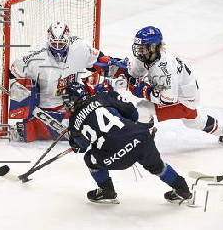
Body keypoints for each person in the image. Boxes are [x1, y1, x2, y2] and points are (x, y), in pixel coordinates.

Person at [63, 82, 193, 204]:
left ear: (73, 100)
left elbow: (81, 147)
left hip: (116, 156)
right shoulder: (104, 97)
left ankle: (107, 192)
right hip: (141, 138)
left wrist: (73, 140)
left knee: (90, 159)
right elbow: (133, 114)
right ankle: (183, 190)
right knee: (158, 166)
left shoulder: (74, 123)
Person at [116, 26, 223, 143]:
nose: (139, 50)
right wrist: (114, 67)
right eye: (139, 46)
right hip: (185, 95)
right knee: (193, 122)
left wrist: (144, 90)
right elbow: (132, 73)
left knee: (143, 108)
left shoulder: (164, 67)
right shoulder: (148, 56)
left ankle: (145, 143)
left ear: (153, 47)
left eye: (143, 47)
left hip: (184, 100)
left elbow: (168, 98)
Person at [8, 21, 113, 142]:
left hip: (71, 101)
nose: (57, 47)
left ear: (67, 40)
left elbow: (99, 58)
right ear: (48, 41)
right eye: (54, 44)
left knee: (95, 96)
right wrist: (16, 87)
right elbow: (14, 70)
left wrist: (112, 66)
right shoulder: (35, 57)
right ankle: (34, 125)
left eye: (61, 44)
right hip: (47, 108)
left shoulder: (79, 46)